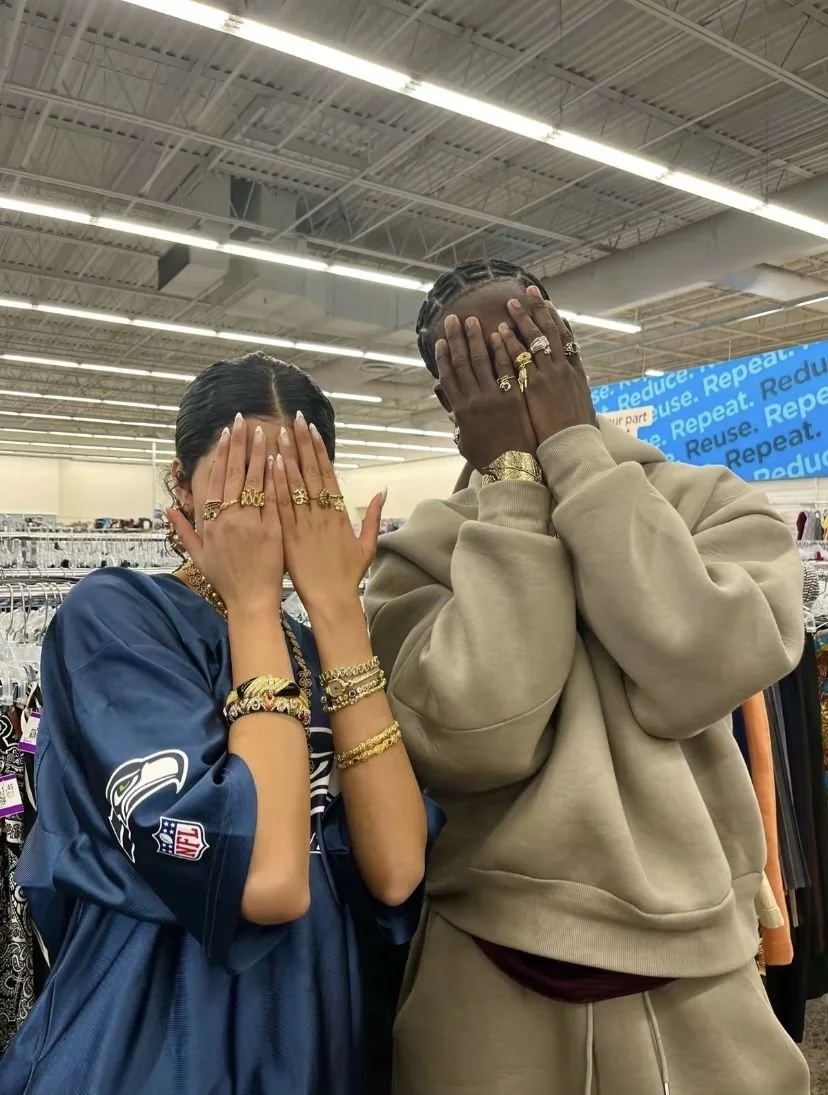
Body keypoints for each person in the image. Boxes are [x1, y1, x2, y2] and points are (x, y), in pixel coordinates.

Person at [365, 260, 810, 1094]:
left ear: (570, 349)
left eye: (531, 343)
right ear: (449, 400)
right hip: (487, 975)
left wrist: (574, 453)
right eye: (480, 363)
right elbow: (480, 737)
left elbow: (701, 668)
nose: (516, 374)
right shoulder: (415, 557)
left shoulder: (712, 504)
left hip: (703, 968)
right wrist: (511, 490)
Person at [0, 352, 438, 1095]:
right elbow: (264, 881)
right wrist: (257, 605)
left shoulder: (316, 645)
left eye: (296, 487)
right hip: (157, 1042)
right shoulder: (114, 620)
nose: (267, 513)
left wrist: (334, 609)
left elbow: (397, 870)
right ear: (181, 483)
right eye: (243, 482)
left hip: (317, 1038)